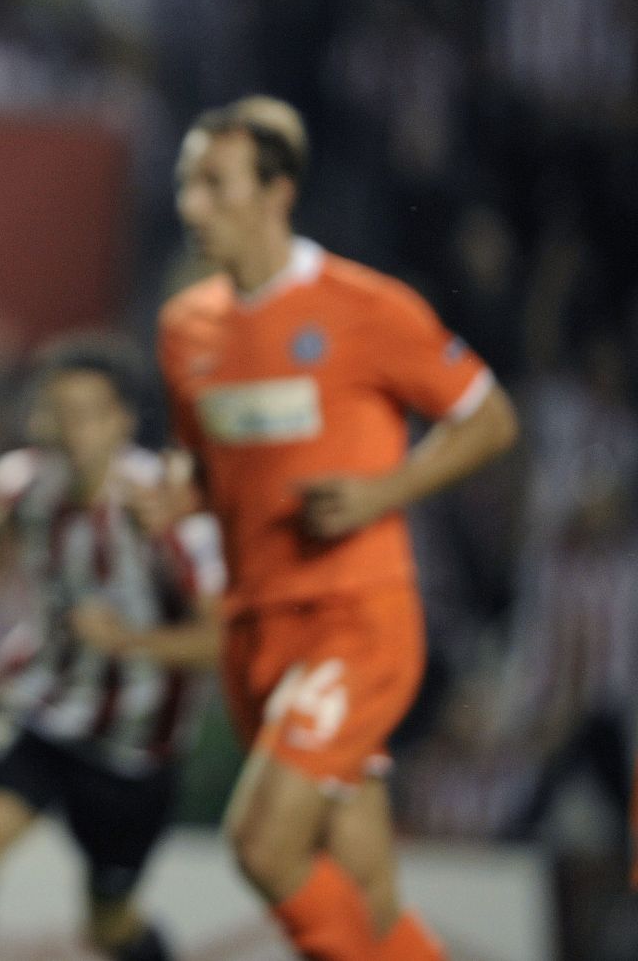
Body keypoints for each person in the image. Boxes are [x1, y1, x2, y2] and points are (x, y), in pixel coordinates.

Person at [155, 96, 518, 961]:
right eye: (184, 184)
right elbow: (213, 468)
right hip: (257, 630)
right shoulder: (185, 329)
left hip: (356, 619)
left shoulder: (366, 307)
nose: (191, 205)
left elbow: (490, 418)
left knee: (262, 844)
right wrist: (183, 495)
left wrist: (386, 489)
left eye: (215, 184)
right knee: (365, 894)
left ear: (278, 191)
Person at [0, 336, 225, 961]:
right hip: (44, 701)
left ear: (123, 422)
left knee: (109, 925)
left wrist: (129, 641)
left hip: (137, 739)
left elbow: (224, 641)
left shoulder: (165, 513)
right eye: (57, 411)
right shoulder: (22, 483)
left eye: (88, 413)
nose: (70, 429)